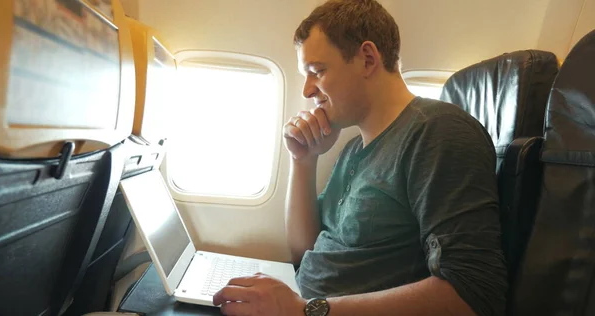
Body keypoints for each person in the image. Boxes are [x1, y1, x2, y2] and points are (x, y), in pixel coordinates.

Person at [213, 0, 507, 315]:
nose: (308, 91)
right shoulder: (355, 149)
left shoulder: (437, 133)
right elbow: (305, 251)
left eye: (318, 71)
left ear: (367, 59)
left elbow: (476, 291)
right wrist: (303, 159)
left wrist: (303, 310)